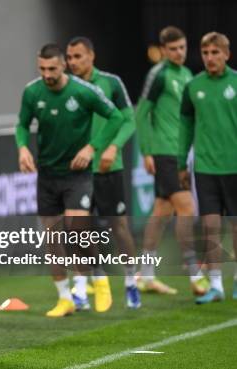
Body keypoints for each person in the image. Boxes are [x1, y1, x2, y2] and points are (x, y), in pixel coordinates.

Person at [15, 43, 123, 317]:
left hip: (77, 175)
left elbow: (116, 116)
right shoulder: (32, 91)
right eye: (42, 69)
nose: (47, 74)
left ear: (64, 65)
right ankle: (65, 298)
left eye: (52, 68)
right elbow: (22, 124)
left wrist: (92, 148)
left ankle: (99, 280)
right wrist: (23, 147)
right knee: (52, 239)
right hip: (47, 174)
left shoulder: (83, 91)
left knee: (76, 231)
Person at [66, 37, 141, 309]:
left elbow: (129, 120)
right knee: (77, 231)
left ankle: (132, 282)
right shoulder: (66, 87)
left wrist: (113, 147)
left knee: (119, 228)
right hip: (77, 172)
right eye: (70, 57)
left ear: (91, 56)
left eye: (78, 56)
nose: (73, 62)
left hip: (109, 168)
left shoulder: (111, 83)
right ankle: (84, 289)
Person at [135, 26, 208, 296]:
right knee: (187, 208)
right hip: (165, 152)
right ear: (163, 50)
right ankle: (194, 273)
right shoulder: (159, 74)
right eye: (173, 49)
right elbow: (142, 113)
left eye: (183, 48)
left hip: (180, 153)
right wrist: (146, 151)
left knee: (161, 212)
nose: (179, 53)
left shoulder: (186, 74)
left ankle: (145, 273)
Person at [179, 31, 237, 303]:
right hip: (205, 168)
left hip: (234, 166)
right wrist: (181, 162)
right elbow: (185, 126)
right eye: (205, 53)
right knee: (210, 226)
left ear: (227, 54)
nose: (210, 58)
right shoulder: (193, 86)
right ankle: (216, 285)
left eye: (215, 53)